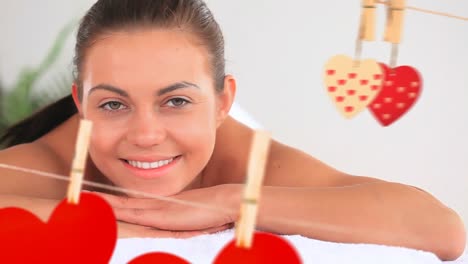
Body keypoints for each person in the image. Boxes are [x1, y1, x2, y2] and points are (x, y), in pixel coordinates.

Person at [0, 0, 465, 260]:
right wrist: (136, 221)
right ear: (82, 104)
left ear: (223, 103)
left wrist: (225, 202)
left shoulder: (241, 160)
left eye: (176, 101)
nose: (145, 134)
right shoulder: (45, 163)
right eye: (114, 104)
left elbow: (441, 229)